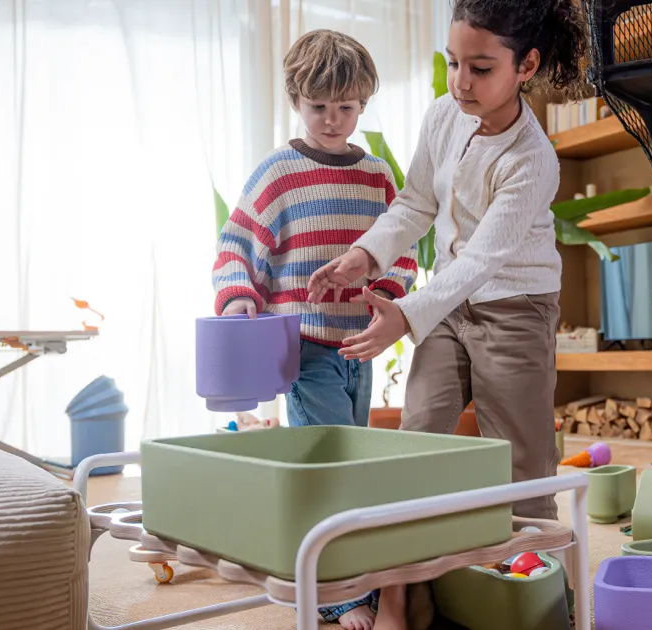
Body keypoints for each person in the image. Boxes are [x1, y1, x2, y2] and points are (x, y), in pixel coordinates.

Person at [307, 0, 590, 531]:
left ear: (525, 67)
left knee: (521, 464)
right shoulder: (444, 114)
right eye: (453, 62)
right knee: (419, 439)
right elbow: (416, 203)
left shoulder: (532, 160)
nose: (461, 81)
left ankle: (539, 597)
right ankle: (409, 590)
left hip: (514, 308)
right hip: (447, 305)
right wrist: (365, 255)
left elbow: (484, 258)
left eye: (480, 68)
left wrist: (406, 314)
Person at [211, 28, 417, 630]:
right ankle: (335, 594)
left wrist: (389, 291)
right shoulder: (279, 172)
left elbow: (401, 245)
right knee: (329, 469)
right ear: (295, 102)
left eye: (346, 107)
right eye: (318, 107)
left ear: (364, 104)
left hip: (361, 344)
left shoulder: (378, 175)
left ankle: (356, 578)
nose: (332, 120)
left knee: (353, 465)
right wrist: (237, 301)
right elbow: (236, 243)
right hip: (300, 347)